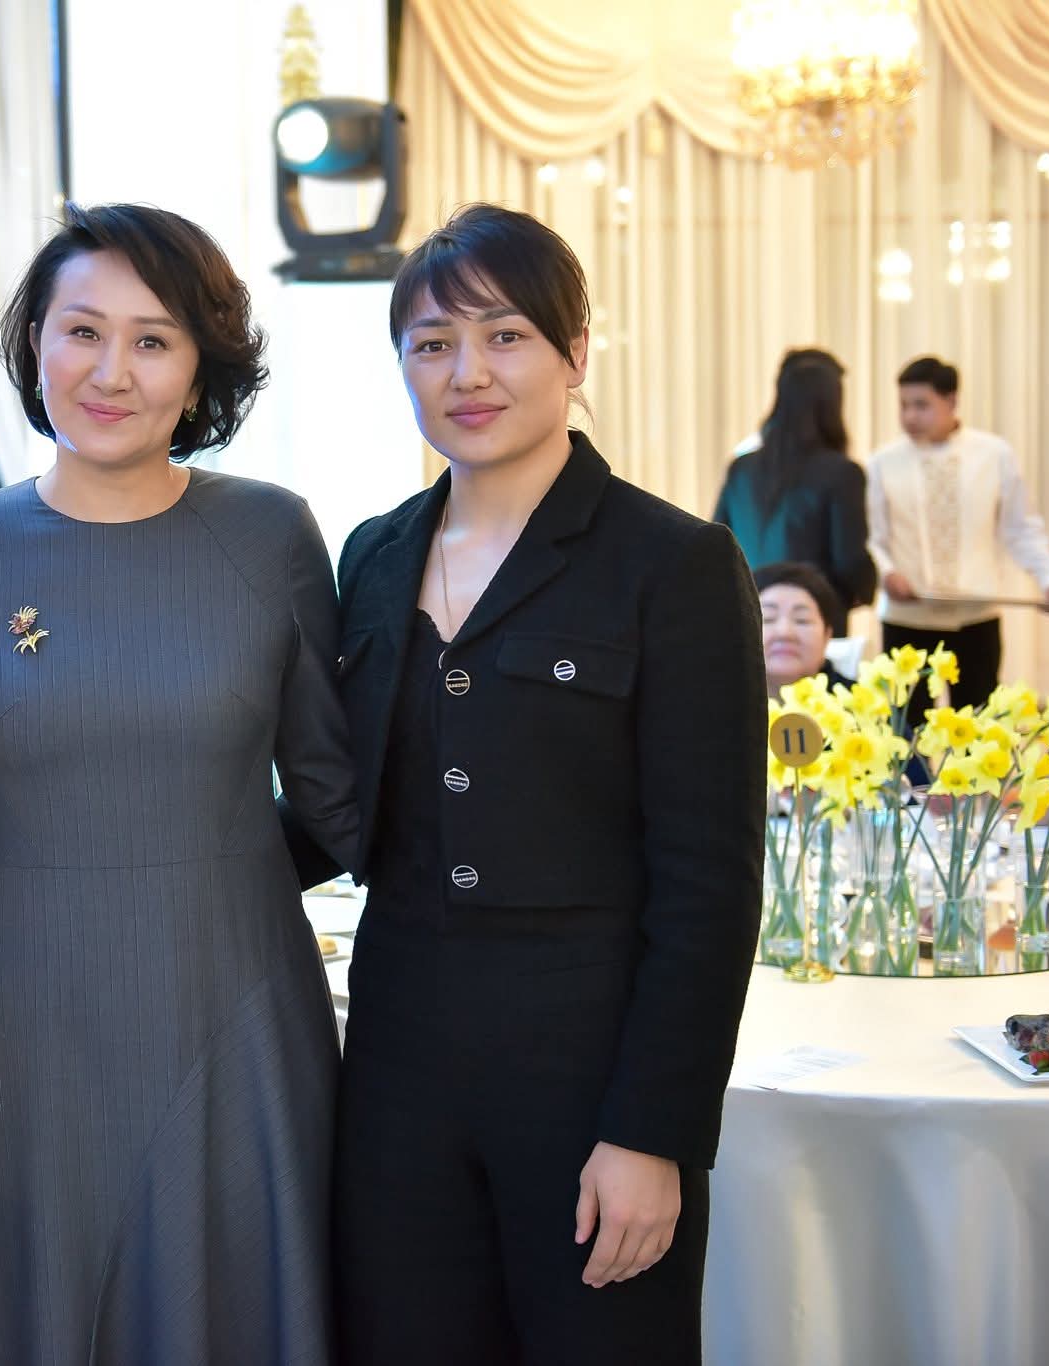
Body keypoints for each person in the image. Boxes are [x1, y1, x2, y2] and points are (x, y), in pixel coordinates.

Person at [0, 202, 358, 1364]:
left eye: (152, 340)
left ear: (200, 366)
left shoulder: (269, 534)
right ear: (33, 344)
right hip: (16, 1021)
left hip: (232, 998)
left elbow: (334, 794)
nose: (110, 372)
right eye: (81, 331)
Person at [329, 204, 765, 1365]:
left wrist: (652, 1133)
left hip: (589, 1080)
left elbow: (709, 880)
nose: (466, 373)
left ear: (574, 353)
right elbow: (334, 803)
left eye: (503, 335)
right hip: (396, 1079)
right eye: (431, 344)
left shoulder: (672, 563)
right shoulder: (372, 554)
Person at [868, 354, 1049, 728]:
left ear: (952, 400)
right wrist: (888, 572)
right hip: (906, 620)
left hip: (975, 619)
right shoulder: (883, 461)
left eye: (921, 405)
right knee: (906, 731)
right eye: (904, 405)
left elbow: (1021, 528)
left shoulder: (993, 454)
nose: (909, 416)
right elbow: (873, 538)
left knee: (977, 726)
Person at [713, 349, 874, 626]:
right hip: (811, 616)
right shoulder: (842, 472)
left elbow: (719, 542)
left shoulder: (741, 467)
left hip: (750, 613)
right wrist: (866, 589)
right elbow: (849, 560)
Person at [756, 562, 852, 693]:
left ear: (827, 635)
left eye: (802, 620)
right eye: (768, 618)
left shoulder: (859, 701)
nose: (785, 632)